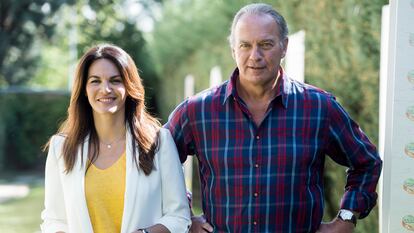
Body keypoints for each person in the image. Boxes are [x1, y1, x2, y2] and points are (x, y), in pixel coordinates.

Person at [165, 3, 382, 233]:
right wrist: (184, 216)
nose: (255, 56)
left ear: (284, 46)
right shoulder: (197, 112)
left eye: (266, 44)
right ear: (233, 50)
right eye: (245, 45)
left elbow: (366, 162)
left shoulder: (319, 107)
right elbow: (157, 162)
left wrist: (346, 219)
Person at [41, 44, 191, 233]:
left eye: (115, 80)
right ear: (84, 89)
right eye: (95, 81)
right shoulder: (61, 148)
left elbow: (179, 216)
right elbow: (54, 219)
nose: (105, 89)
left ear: (129, 87)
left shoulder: (160, 142)